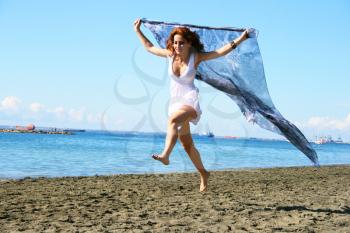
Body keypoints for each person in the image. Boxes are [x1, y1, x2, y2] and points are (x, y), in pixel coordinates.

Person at [134, 19, 249, 192]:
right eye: (175, 43)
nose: (177, 46)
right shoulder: (170, 55)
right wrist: (138, 31)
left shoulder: (196, 57)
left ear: (189, 43)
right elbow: (149, 47)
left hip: (189, 101)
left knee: (172, 121)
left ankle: (165, 156)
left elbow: (219, 52)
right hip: (175, 102)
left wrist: (241, 38)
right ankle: (204, 173)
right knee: (187, 145)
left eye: (181, 43)